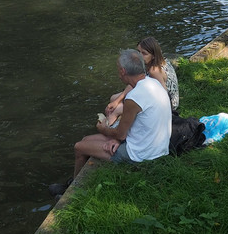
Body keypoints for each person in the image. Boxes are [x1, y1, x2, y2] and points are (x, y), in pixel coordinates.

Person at [55, 48, 172, 195]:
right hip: (158, 146)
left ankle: (73, 192)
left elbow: (120, 134)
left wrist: (103, 129)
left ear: (123, 71)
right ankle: (73, 181)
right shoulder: (152, 83)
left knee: (79, 147)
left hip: (142, 154)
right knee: (86, 139)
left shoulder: (134, 97)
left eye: (118, 69)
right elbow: (132, 126)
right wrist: (117, 138)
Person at [104, 38, 180, 124]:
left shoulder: (154, 71)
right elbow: (135, 83)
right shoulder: (157, 61)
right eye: (138, 52)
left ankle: (110, 130)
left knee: (116, 110)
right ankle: (119, 122)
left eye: (144, 53)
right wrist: (117, 101)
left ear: (153, 55)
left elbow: (164, 94)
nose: (139, 56)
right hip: (152, 95)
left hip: (167, 104)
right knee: (113, 98)